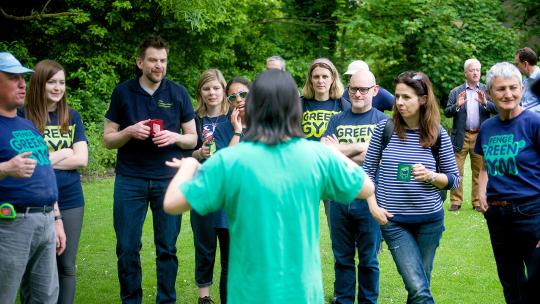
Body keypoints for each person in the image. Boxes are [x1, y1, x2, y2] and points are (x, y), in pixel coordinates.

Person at [163, 69, 375, 303]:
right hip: (302, 294)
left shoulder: (230, 161)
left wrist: (189, 165)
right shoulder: (317, 157)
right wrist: (335, 152)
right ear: (295, 109)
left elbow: (172, 204)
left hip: (248, 294)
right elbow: (366, 187)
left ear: (253, 108)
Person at [103, 36, 197, 304]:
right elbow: (108, 140)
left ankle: (166, 300)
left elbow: (192, 139)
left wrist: (174, 137)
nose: (159, 66)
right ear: (140, 62)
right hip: (130, 179)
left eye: (163, 60)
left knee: (167, 248)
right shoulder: (123, 92)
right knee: (127, 247)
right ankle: (130, 300)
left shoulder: (178, 93)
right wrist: (129, 131)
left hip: (168, 179)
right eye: (153, 60)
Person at [363, 71, 460, 303]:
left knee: (418, 286)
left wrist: (432, 176)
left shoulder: (438, 134)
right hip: (394, 221)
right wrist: (373, 206)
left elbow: (454, 179)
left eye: (406, 97)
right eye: (397, 96)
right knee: (418, 288)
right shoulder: (384, 130)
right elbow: (366, 173)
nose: (399, 103)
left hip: (430, 221)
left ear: (423, 99)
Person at [0, 52, 66, 303]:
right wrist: (6, 168)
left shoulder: (26, 124)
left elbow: (45, 172)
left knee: (45, 298)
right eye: (12, 77)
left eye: (23, 78)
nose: (21, 83)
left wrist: (57, 219)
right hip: (10, 224)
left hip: (46, 221)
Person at [23, 59, 88, 304]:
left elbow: (82, 159)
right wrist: (62, 153)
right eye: (52, 82)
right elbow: (28, 163)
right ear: (39, 83)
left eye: (61, 82)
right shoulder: (23, 116)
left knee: (66, 264)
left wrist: (46, 159)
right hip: (34, 197)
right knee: (36, 265)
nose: (58, 88)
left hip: (70, 198)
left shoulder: (71, 116)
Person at [475, 62, 540, 304]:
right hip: (498, 214)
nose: (508, 94)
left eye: (513, 87)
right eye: (501, 89)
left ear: (522, 89)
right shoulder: (487, 128)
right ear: (490, 93)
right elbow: (485, 166)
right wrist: (482, 191)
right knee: (510, 282)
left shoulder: (534, 123)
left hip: (532, 212)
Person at [321, 70, 387, 304]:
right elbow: (325, 154)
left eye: (363, 89)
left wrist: (340, 149)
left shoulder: (383, 121)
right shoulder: (336, 119)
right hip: (339, 199)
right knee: (342, 258)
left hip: (371, 201)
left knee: (369, 259)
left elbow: (380, 158)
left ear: (375, 90)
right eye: (353, 89)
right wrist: (361, 148)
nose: (357, 94)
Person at [190, 69, 230, 304]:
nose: (212, 93)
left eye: (216, 88)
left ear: (223, 89)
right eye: (206, 88)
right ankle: (204, 298)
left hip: (229, 195)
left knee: (230, 252)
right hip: (203, 192)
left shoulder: (234, 116)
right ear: (200, 92)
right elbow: (184, 152)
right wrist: (198, 152)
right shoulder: (194, 119)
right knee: (204, 248)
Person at [444, 58, 497, 211]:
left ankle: (477, 202)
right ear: (465, 73)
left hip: (480, 136)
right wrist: (457, 105)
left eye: (478, 70)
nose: (475, 73)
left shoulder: (487, 90)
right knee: (457, 170)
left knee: (479, 170)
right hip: (461, 136)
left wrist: (485, 103)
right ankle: (456, 201)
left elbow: (497, 108)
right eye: (472, 70)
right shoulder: (456, 91)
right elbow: (447, 112)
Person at [301, 58, 349, 141]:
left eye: (325, 76)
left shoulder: (345, 106)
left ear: (332, 78)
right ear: (310, 79)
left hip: (333, 152)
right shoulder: (298, 104)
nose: (320, 81)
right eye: (316, 77)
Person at [213, 76, 251, 148]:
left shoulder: (265, 124)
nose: (238, 99)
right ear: (229, 103)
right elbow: (226, 159)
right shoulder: (221, 130)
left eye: (243, 94)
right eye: (232, 97)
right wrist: (237, 132)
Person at [514, 47, 540, 114]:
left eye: (517, 64)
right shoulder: (526, 79)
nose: (516, 68)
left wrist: (525, 113)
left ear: (525, 64)